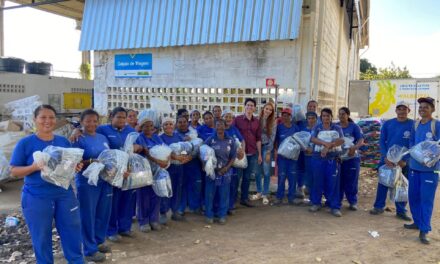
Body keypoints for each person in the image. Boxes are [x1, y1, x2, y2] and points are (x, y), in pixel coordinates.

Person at [10, 105, 84, 264]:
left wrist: (75, 167)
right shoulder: (26, 143)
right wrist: (34, 167)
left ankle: (77, 261)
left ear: (55, 120)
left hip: (64, 194)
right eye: (43, 117)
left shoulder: (63, 141)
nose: (47, 121)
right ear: (35, 120)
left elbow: (69, 165)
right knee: (41, 236)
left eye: (51, 117)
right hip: (37, 196)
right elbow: (14, 171)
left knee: (72, 231)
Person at [72, 109, 112, 262]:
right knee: (87, 214)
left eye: (95, 120)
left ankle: (99, 241)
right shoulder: (78, 138)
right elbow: (73, 163)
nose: (92, 124)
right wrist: (90, 161)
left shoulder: (102, 137)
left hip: (104, 180)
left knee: (103, 212)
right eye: (88, 121)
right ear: (82, 122)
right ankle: (89, 249)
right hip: (87, 182)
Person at [96, 107, 136, 241]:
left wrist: (134, 148)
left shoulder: (130, 131)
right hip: (112, 172)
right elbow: (88, 133)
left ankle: (125, 228)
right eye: (118, 117)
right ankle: (111, 230)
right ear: (111, 117)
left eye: (124, 117)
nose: (121, 120)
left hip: (127, 171)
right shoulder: (102, 129)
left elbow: (139, 145)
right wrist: (76, 130)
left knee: (127, 200)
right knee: (112, 201)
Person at [404, 97, 440, 244]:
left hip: (430, 170)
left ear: (432, 109)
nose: (422, 109)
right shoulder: (416, 124)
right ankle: (417, 222)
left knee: (426, 200)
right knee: (413, 197)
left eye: (426, 107)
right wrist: (415, 152)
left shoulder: (436, 124)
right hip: (414, 168)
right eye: (420, 107)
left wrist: (430, 157)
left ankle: (424, 230)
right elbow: (411, 141)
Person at [370, 101, 413, 221]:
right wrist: (385, 156)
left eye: (405, 109)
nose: (402, 112)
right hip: (387, 160)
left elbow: (413, 144)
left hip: (403, 162)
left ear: (408, 111)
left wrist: (404, 160)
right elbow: (382, 141)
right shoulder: (388, 124)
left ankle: (401, 210)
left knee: (402, 186)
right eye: (399, 109)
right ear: (396, 111)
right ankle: (378, 206)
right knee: (383, 183)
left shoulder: (413, 125)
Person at [134, 115, 169, 232]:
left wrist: (165, 160)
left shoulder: (157, 138)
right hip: (143, 171)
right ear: (141, 127)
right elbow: (140, 153)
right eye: (146, 126)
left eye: (151, 126)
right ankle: (143, 221)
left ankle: (154, 219)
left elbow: (165, 150)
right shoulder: (139, 138)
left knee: (156, 194)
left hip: (157, 170)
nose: (149, 128)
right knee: (143, 196)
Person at [309, 108, 344, 217]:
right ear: (321, 117)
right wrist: (325, 144)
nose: (326, 118)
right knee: (317, 181)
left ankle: (334, 206)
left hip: (332, 159)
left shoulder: (337, 128)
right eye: (324, 116)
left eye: (328, 116)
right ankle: (316, 203)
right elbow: (312, 139)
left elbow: (341, 140)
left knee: (333, 183)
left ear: (331, 117)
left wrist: (329, 146)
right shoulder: (317, 127)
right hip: (318, 159)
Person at [204, 119, 237, 224]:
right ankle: (209, 215)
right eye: (218, 125)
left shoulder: (230, 140)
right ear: (215, 127)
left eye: (222, 125)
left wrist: (226, 168)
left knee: (224, 194)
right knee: (210, 194)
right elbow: (202, 153)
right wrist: (207, 165)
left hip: (225, 172)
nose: (220, 127)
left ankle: (222, 215)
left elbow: (233, 157)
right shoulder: (210, 140)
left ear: (225, 126)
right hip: (212, 172)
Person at [159, 118, 192, 223]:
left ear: (174, 126)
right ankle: (163, 212)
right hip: (167, 167)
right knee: (166, 189)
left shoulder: (178, 136)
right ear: (162, 127)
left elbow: (184, 148)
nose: (168, 126)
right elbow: (165, 151)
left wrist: (184, 157)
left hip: (179, 167)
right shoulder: (160, 138)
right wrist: (175, 157)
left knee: (177, 188)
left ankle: (175, 211)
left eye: (170, 124)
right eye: (166, 124)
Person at [234, 98, 262, 207]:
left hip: (252, 153)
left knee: (247, 177)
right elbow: (233, 135)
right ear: (244, 106)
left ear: (254, 108)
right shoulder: (237, 119)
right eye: (248, 105)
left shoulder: (256, 122)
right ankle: (233, 199)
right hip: (240, 154)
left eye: (252, 105)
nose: (250, 107)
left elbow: (258, 138)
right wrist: (237, 150)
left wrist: (259, 154)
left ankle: (244, 199)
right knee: (237, 177)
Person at [337, 107, 364, 211]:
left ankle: (352, 202)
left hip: (352, 159)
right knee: (338, 180)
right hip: (339, 159)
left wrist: (354, 148)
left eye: (343, 114)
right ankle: (337, 201)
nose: (341, 116)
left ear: (348, 115)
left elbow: (361, 140)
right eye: (339, 114)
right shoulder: (335, 127)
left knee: (351, 181)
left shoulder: (354, 127)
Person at [176, 115, 203, 214]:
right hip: (180, 164)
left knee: (195, 185)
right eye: (180, 122)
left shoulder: (194, 133)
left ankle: (194, 207)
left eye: (184, 122)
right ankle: (180, 208)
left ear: (188, 122)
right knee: (181, 186)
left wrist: (191, 156)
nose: (182, 124)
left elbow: (199, 145)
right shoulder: (174, 134)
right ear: (176, 124)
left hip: (193, 163)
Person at [251, 102, 276, 205]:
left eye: (270, 110)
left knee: (266, 171)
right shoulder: (257, 119)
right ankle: (259, 192)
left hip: (266, 147)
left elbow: (272, 137)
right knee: (257, 171)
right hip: (257, 148)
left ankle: (265, 193)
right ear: (263, 109)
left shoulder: (273, 122)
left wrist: (269, 151)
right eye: (267, 109)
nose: (268, 111)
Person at [274, 108, 299, 205]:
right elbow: (275, 141)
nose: (285, 117)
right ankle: (279, 197)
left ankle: (291, 198)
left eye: (287, 115)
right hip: (282, 158)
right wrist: (275, 151)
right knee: (281, 177)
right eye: (283, 115)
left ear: (290, 117)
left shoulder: (295, 128)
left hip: (293, 158)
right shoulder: (279, 127)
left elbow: (299, 141)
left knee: (292, 177)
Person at [223, 110, 245, 214]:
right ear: (223, 118)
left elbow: (242, 140)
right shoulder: (220, 129)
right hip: (224, 162)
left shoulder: (234, 129)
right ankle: (223, 206)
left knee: (233, 184)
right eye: (226, 117)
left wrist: (242, 150)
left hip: (235, 162)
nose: (228, 119)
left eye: (230, 117)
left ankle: (230, 206)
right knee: (224, 185)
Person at [297, 112, 318, 195]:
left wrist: (313, 150)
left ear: (316, 119)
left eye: (313, 118)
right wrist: (305, 148)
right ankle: (310, 196)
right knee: (308, 175)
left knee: (316, 175)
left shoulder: (319, 129)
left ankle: (315, 197)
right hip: (307, 156)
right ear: (306, 119)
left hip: (317, 156)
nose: (311, 120)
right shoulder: (304, 130)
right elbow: (300, 142)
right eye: (309, 118)